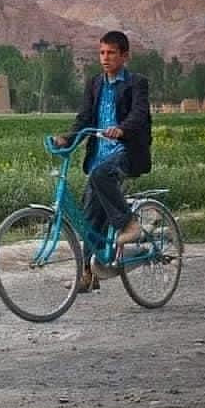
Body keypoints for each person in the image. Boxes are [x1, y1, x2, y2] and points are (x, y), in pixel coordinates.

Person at [55, 30, 152, 292]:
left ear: (124, 56)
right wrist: (67, 138)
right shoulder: (95, 83)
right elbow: (85, 117)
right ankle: (88, 274)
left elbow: (139, 114)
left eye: (111, 53)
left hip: (126, 152)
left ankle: (129, 224)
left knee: (100, 177)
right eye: (102, 52)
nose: (105, 58)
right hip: (100, 155)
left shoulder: (136, 83)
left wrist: (122, 129)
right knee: (89, 214)